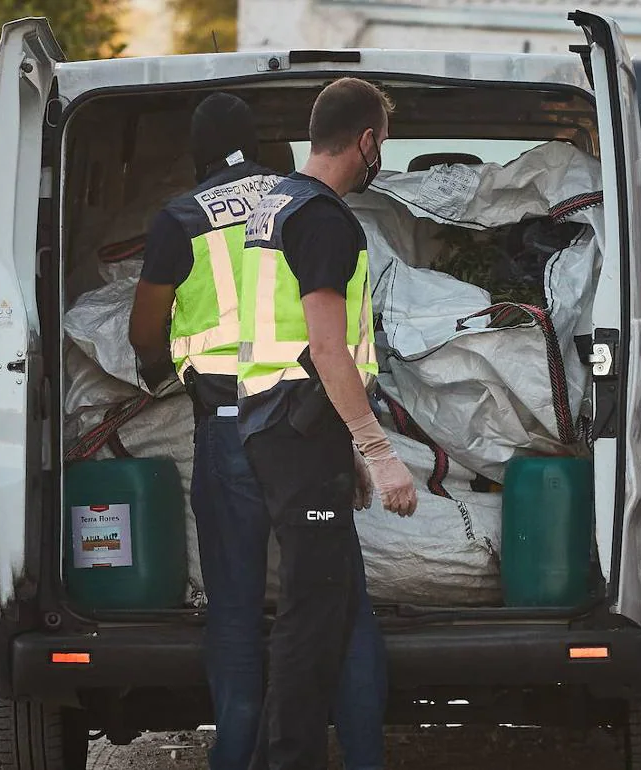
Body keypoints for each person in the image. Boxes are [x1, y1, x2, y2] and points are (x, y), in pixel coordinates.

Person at [129, 92, 392, 770]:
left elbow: (143, 331)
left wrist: (160, 368)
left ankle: (237, 759)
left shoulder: (180, 218)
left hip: (227, 428)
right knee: (341, 611)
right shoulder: (297, 205)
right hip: (304, 424)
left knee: (237, 613)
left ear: (198, 152)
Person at [237, 78, 418, 770]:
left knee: (333, 610)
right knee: (310, 621)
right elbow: (325, 347)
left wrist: (349, 451)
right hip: (297, 431)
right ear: (367, 140)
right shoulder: (322, 218)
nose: (382, 157)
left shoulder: (274, 203)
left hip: (279, 424)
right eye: (384, 143)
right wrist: (379, 449)